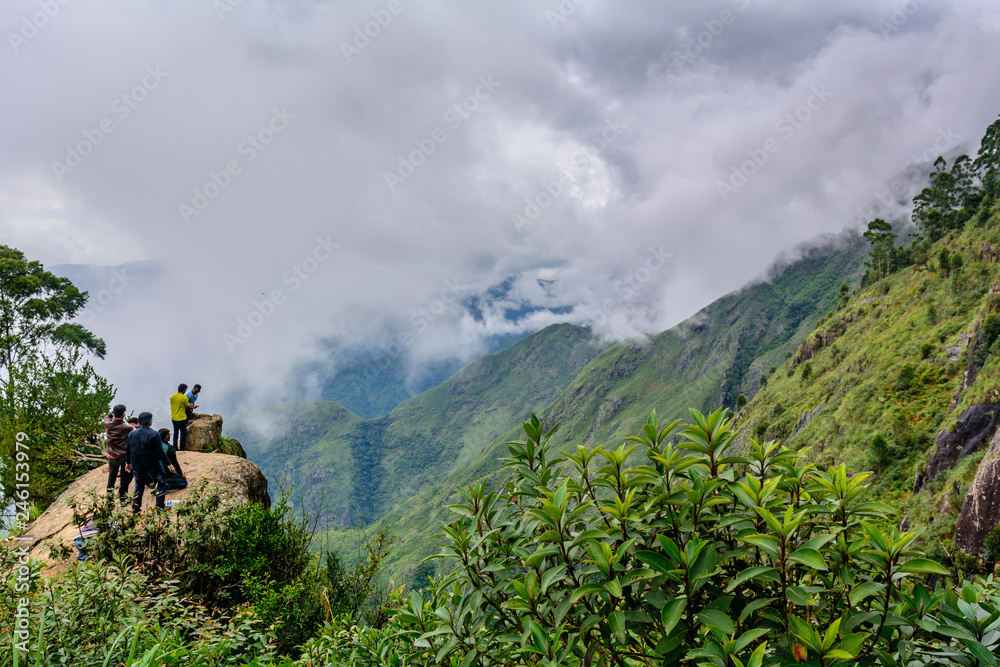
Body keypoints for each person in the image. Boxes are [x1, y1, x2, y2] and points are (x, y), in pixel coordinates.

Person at [125, 412, 175, 512]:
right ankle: (160, 506)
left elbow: (128, 449)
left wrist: (128, 462)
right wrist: (168, 463)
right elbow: (159, 452)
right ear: (150, 421)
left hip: (137, 465)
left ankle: (136, 509)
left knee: (139, 486)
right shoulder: (155, 434)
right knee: (161, 483)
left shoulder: (132, 434)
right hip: (152, 466)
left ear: (139, 422)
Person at [103, 404, 133, 504]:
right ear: (124, 414)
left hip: (112, 456)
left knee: (111, 478)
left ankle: (109, 501)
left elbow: (106, 417)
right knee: (124, 479)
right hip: (123, 457)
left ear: (113, 413)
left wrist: (112, 413)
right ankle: (123, 500)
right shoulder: (127, 428)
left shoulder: (108, 423)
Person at [170, 383, 191, 451]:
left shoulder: (172, 397)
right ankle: (181, 448)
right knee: (182, 433)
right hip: (181, 418)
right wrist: (191, 407)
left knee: (175, 432)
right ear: (184, 390)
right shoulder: (184, 398)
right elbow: (187, 407)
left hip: (173, 417)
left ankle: (175, 447)